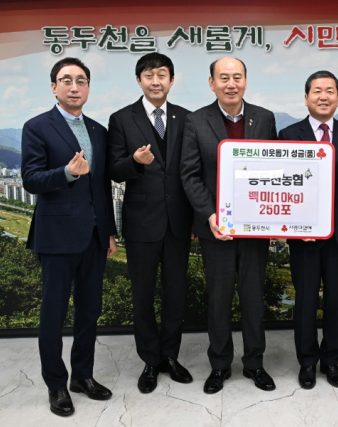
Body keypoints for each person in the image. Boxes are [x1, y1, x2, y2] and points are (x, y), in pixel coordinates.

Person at [21, 57, 117, 416]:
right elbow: (31, 179)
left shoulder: (98, 130)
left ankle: (82, 376)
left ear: (88, 87)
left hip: (94, 236)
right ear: (54, 87)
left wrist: (108, 231)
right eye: (66, 80)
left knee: (89, 311)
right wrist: (66, 173)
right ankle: (56, 385)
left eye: (81, 80)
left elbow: (103, 187)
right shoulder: (37, 127)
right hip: (57, 236)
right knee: (54, 314)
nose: (74, 87)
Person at [180, 56, 277, 394]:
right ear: (212, 83)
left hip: (254, 227)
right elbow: (190, 174)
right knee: (219, 300)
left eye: (237, 77)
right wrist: (210, 214)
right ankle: (220, 365)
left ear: (246, 81)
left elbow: (274, 169)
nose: (231, 84)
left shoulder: (265, 118)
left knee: (253, 298)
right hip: (215, 228)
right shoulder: (195, 121)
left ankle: (255, 363)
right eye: (223, 78)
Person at [278, 71, 338, 390]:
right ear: (306, 98)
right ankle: (307, 361)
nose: (323, 96)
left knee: (335, 301)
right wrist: (291, 225)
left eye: (330, 91)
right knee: (305, 302)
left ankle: (331, 360)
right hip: (303, 235)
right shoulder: (288, 134)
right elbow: (281, 183)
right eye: (317, 91)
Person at [107, 53, 194, 393]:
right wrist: (134, 161)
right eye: (148, 75)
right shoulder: (121, 118)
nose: (155, 81)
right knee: (142, 296)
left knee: (175, 294)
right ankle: (149, 360)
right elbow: (114, 170)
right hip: (141, 223)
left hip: (179, 223)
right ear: (139, 80)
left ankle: (170, 356)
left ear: (171, 80)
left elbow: (193, 169)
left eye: (162, 75)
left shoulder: (186, 117)